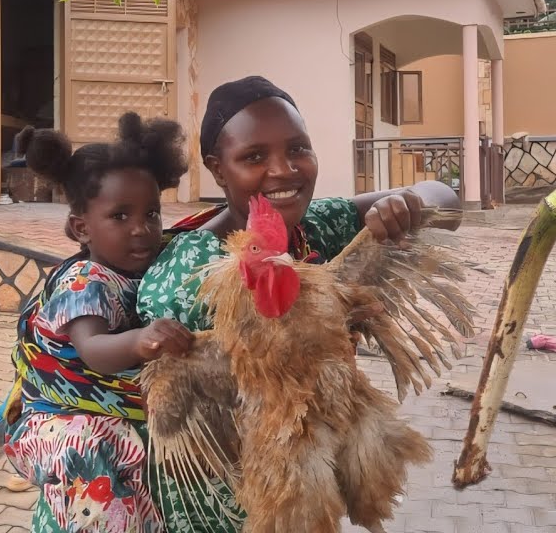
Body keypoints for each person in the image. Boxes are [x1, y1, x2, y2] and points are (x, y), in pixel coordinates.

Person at [135, 75, 462, 532]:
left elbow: (447, 200)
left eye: (297, 149)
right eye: (253, 157)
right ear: (217, 169)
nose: (284, 170)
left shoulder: (314, 222)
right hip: (223, 495)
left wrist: (409, 202)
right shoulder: (193, 268)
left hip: (306, 470)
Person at [0, 112, 195, 533]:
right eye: (121, 216)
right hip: (59, 422)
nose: (142, 229)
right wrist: (141, 341)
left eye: (152, 214)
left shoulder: (141, 270)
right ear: (80, 228)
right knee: (106, 458)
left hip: (94, 418)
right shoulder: (84, 280)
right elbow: (94, 350)